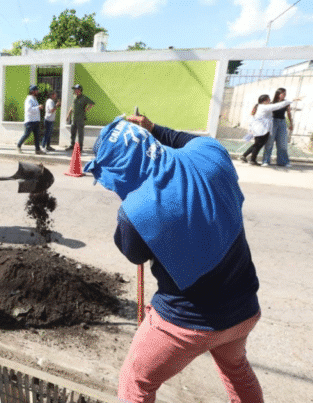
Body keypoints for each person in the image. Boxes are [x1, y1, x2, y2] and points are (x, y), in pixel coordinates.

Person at [84, 114, 264, 402]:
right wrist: (155, 128)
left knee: (136, 383)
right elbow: (187, 141)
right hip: (244, 310)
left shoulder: (136, 211)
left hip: (186, 323)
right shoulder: (211, 154)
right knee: (237, 370)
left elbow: (135, 255)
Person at [241, 94, 298, 165]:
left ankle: (245, 156)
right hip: (262, 130)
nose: (270, 101)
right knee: (257, 145)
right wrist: (291, 100)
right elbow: (278, 106)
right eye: (268, 99)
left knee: (257, 144)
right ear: (264, 101)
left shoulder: (259, 106)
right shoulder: (264, 107)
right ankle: (252, 160)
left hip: (259, 129)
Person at [262, 87, 294, 167]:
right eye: (283, 93)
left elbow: (289, 113)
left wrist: (291, 124)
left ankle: (283, 162)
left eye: (285, 94)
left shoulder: (286, 103)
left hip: (282, 123)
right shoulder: (272, 103)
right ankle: (266, 161)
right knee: (269, 143)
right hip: (273, 122)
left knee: (282, 144)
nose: (284, 95)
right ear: (278, 94)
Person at [16, 84, 45, 154]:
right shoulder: (29, 99)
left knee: (37, 136)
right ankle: (18, 145)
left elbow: (34, 109)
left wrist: (38, 107)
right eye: (36, 90)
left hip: (36, 120)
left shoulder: (34, 99)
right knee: (27, 134)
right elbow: (28, 109)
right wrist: (38, 107)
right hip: (30, 121)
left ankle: (37, 150)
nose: (37, 91)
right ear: (32, 91)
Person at [65, 84, 94, 153]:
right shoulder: (74, 97)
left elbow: (92, 103)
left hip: (80, 119)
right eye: (74, 89)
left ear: (79, 90)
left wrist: (86, 109)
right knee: (73, 133)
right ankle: (72, 145)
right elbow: (72, 107)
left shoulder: (84, 98)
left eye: (76, 89)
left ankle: (80, 147)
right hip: (74, 118)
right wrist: (68, 115)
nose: (75, 91)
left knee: (80, 134)